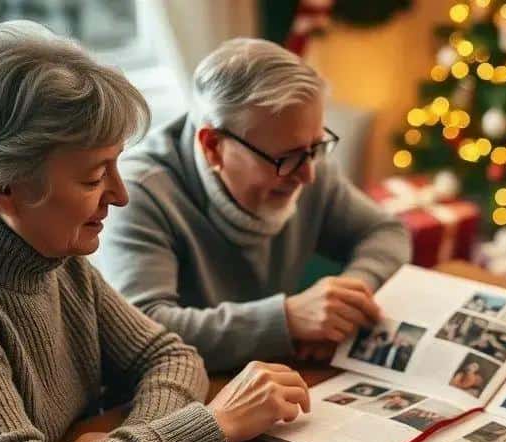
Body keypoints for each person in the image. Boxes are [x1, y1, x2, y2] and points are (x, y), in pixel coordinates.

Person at [0, 22, 312, 442]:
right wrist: (210, 428)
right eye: (93, 177)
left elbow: (171, 356)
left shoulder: (53, 255)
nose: (120, 195)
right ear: (3, 186)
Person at [93, 38, 410, 372]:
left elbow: (387, 232)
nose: (308, 175)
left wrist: (345, 303)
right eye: (285, 158)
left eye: (316, 147)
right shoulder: (139, 192)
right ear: (213, 146)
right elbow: (142, 329)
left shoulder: (304, 160)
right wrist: (287, 320)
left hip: (274, 374)